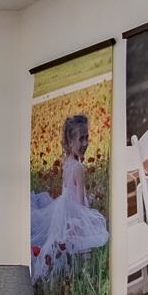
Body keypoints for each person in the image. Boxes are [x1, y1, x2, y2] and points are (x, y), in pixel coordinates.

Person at [29, 112, 109, 284]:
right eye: (81, 139)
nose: (85, 143)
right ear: (70, 141)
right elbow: (80, 205)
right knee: (100, 233)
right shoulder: (78, 168)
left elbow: (69, 192)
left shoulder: (67, 162)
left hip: (62, 209)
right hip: (72, 213)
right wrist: (86, 221)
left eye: (87, 138)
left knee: (54, 239)